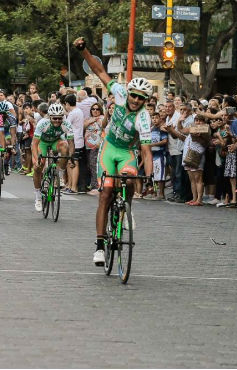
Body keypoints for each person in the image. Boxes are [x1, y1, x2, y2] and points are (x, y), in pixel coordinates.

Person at [73, 36, 153, 266]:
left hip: (127, 151)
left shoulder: (144, 118)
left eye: (141, 98)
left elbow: (146, 152)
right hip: (109, 148)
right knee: (106, 193)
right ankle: (99, 245)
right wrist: (84, 50)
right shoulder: (118, 91)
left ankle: (127, 208)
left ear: (145, 100)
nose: (136, 100)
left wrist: (147, 177)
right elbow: (99, 70)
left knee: (129, 180)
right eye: (134, 95)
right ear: (127, 93)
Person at [31, 103, 75, 212]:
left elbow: (71, 143)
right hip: (43, 143)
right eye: (54, 118)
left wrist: (71, 157)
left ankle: (59, 176)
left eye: (60, 118)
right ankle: (38, 197)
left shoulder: (66, 124)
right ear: (49, 117)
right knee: (38, 168)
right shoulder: (42, 123)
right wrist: (37, 160)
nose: (57, 121)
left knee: (65, 147)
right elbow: (34, 144)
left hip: (56, 141)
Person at [143, 112, 168, 200]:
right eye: (153, 118)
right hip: (151, 155)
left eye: (156, 118)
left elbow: (165, 141)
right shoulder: (151, 129)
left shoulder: (162, 129)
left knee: (160, 175)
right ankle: (154, 192)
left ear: (160, 119)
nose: (154, 120)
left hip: (160, 154)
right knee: (154, 175)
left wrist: (153, 145)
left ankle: (161, 194)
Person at [64, 94, 84, 194]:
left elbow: (65, 126)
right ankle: (70, 185)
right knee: (70, 163)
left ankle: (73, 187)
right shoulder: (78, 111)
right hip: (77, 140)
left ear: (67, 103)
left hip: (74, 141)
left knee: (74, 163)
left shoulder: (73, 113)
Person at [84, 102, 104, 195]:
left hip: (97, 146)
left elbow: (104, 129)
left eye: (97, 109)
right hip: (88, 146)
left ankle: (96, 186)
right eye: (93, 109)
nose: (95, 111)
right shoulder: (88, 119)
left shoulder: (102, 118)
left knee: (94, 165)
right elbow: (83, 127)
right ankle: (93, 184)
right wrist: (90, 121)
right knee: (90, 165)